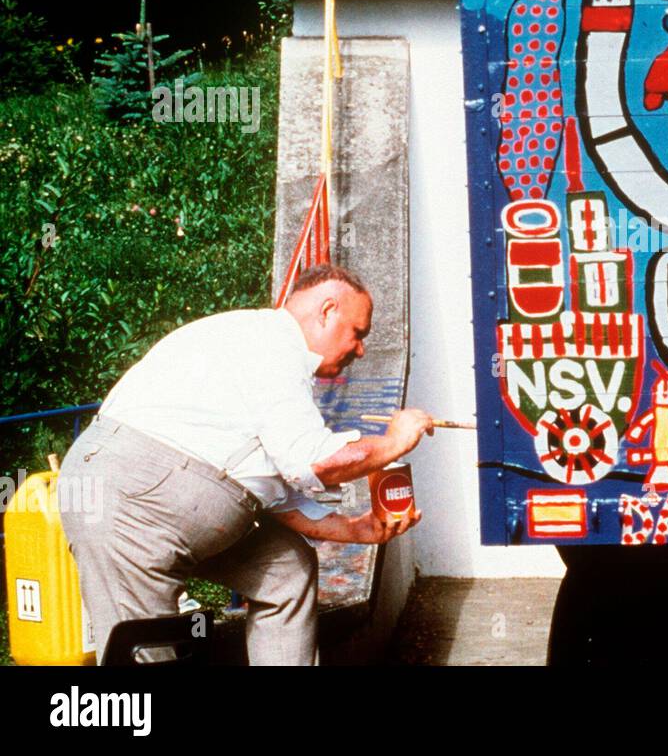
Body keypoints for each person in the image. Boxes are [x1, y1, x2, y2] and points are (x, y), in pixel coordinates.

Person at [59, 263, 435, 665]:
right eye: (358, 333)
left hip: (167, 494)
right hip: (129, 497)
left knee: (285, 573)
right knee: (144, 653)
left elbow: (274, 493)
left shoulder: (267, 353)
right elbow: (317, 461)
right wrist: (396, 441)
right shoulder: (270, 344)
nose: (360, 350)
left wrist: (355, 530)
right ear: (327, 310)